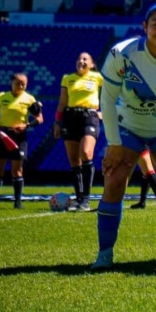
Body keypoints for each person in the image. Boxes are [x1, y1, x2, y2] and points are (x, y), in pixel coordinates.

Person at [92, 3, 156, 269]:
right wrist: (114, 144)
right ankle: (104, 255)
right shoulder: (122, 53)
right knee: (114, 180)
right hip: (128, 127)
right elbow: (107, 99)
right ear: (144, 27)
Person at [0, 73, 43, 209]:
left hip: (19, 137)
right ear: (12, 83)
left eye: (24, 84)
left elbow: (39, 118)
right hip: (2, 135)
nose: (21, 86)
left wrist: (26, 125)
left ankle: (18, 202)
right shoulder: (2, 97)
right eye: (18, 83)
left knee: (17, 170)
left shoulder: (29, 99)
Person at [53, 52, 103, 212]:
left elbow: (113, 95)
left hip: (89, 117)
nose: (81, 61)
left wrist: (106, 112)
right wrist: (57, 122)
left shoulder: (98, 78)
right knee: (74, 161)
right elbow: (62, 102)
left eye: (85, 59)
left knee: (86, 153)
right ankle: (80, 199)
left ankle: (86, 200)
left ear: (92, 64)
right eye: (79, 59)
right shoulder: (67, 78)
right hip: (70, 118)